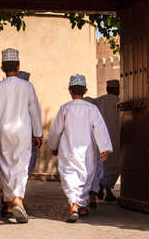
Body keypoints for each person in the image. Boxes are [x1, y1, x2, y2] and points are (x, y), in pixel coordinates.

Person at [0, 48, 43, 223]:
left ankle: (9, 204)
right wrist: (38, 134)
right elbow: (35, 111)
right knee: (21, 166)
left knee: (5, 166)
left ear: (2, 68)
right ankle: (17, 200)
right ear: (18, 66)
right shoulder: (28, 86)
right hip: (22, 130)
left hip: (3, 130)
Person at [47, 74, 113, 223]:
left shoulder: (65, 108)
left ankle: (74, 205)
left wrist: (54, 145)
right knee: (86, 176)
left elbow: (56, 130)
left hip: (68, 150)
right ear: (86, 90)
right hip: (87, 151)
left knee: (69, 176)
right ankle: (81, 205)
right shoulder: (92, 109)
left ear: (70, 91)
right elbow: (100, 129)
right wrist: (104, 149)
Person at [95, 79, 120, 202]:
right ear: (117, 89)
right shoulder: (120, 101)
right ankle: (107, 189)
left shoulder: (99, 101)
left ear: (107, 89)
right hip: (116, 138)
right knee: (114, 166)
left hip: (101, 138)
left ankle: (101, 187)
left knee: (103, 164)